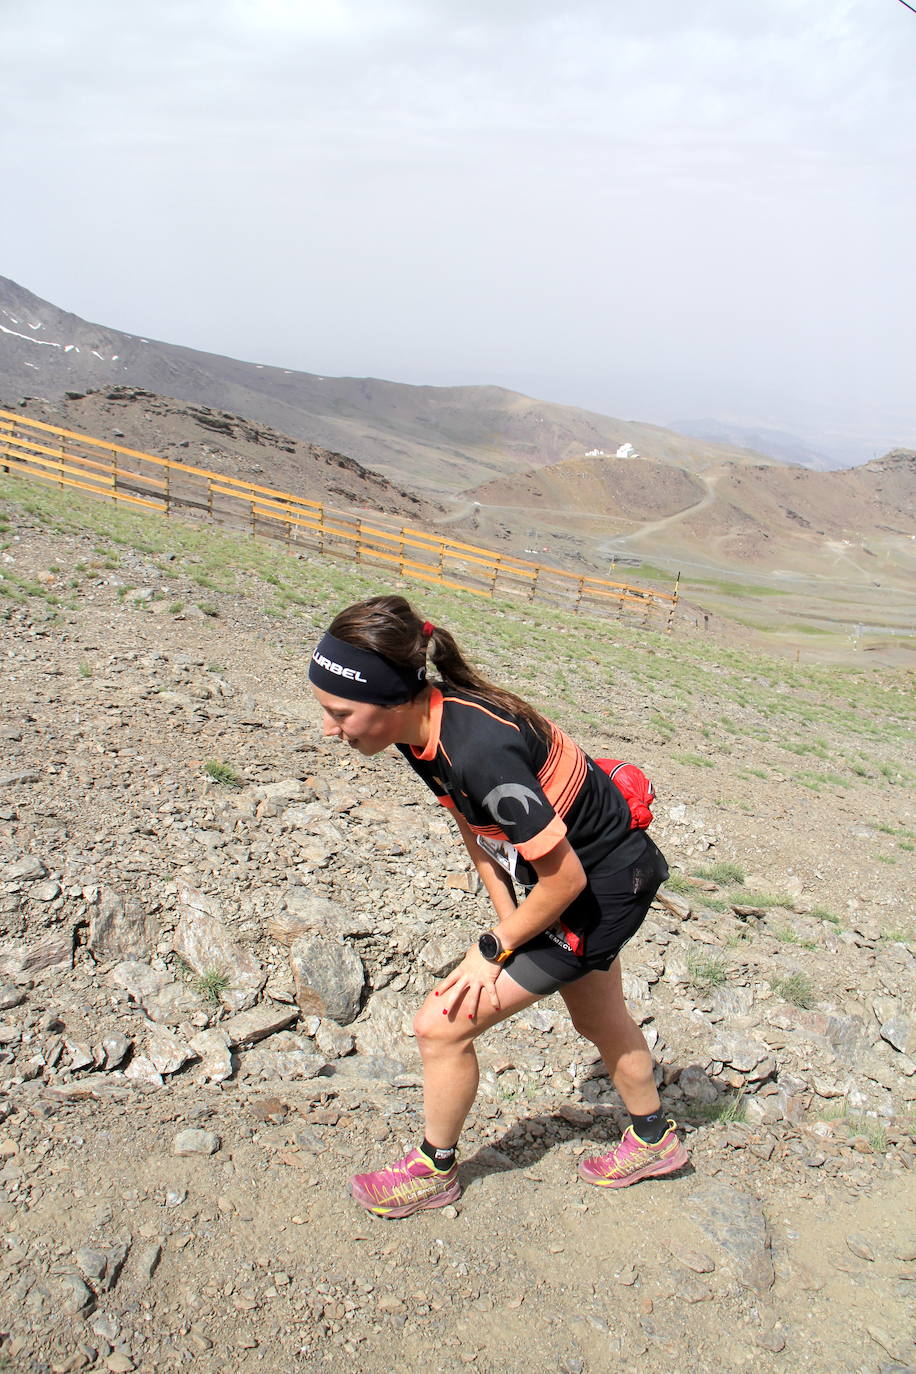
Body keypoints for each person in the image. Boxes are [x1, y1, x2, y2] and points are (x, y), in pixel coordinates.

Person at [308, 594, 688, 1218]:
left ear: (391, 698)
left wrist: (495, 948)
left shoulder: (479, 750)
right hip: (585, 879)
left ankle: (434, 1171)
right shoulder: (422, 727)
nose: (330, 728)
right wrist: (506, 922)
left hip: (598, 887)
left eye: (341, 712)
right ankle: (655, 1140)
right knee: (597, 1015)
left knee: (440, 1025)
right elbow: (473, 826)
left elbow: (563, 882)